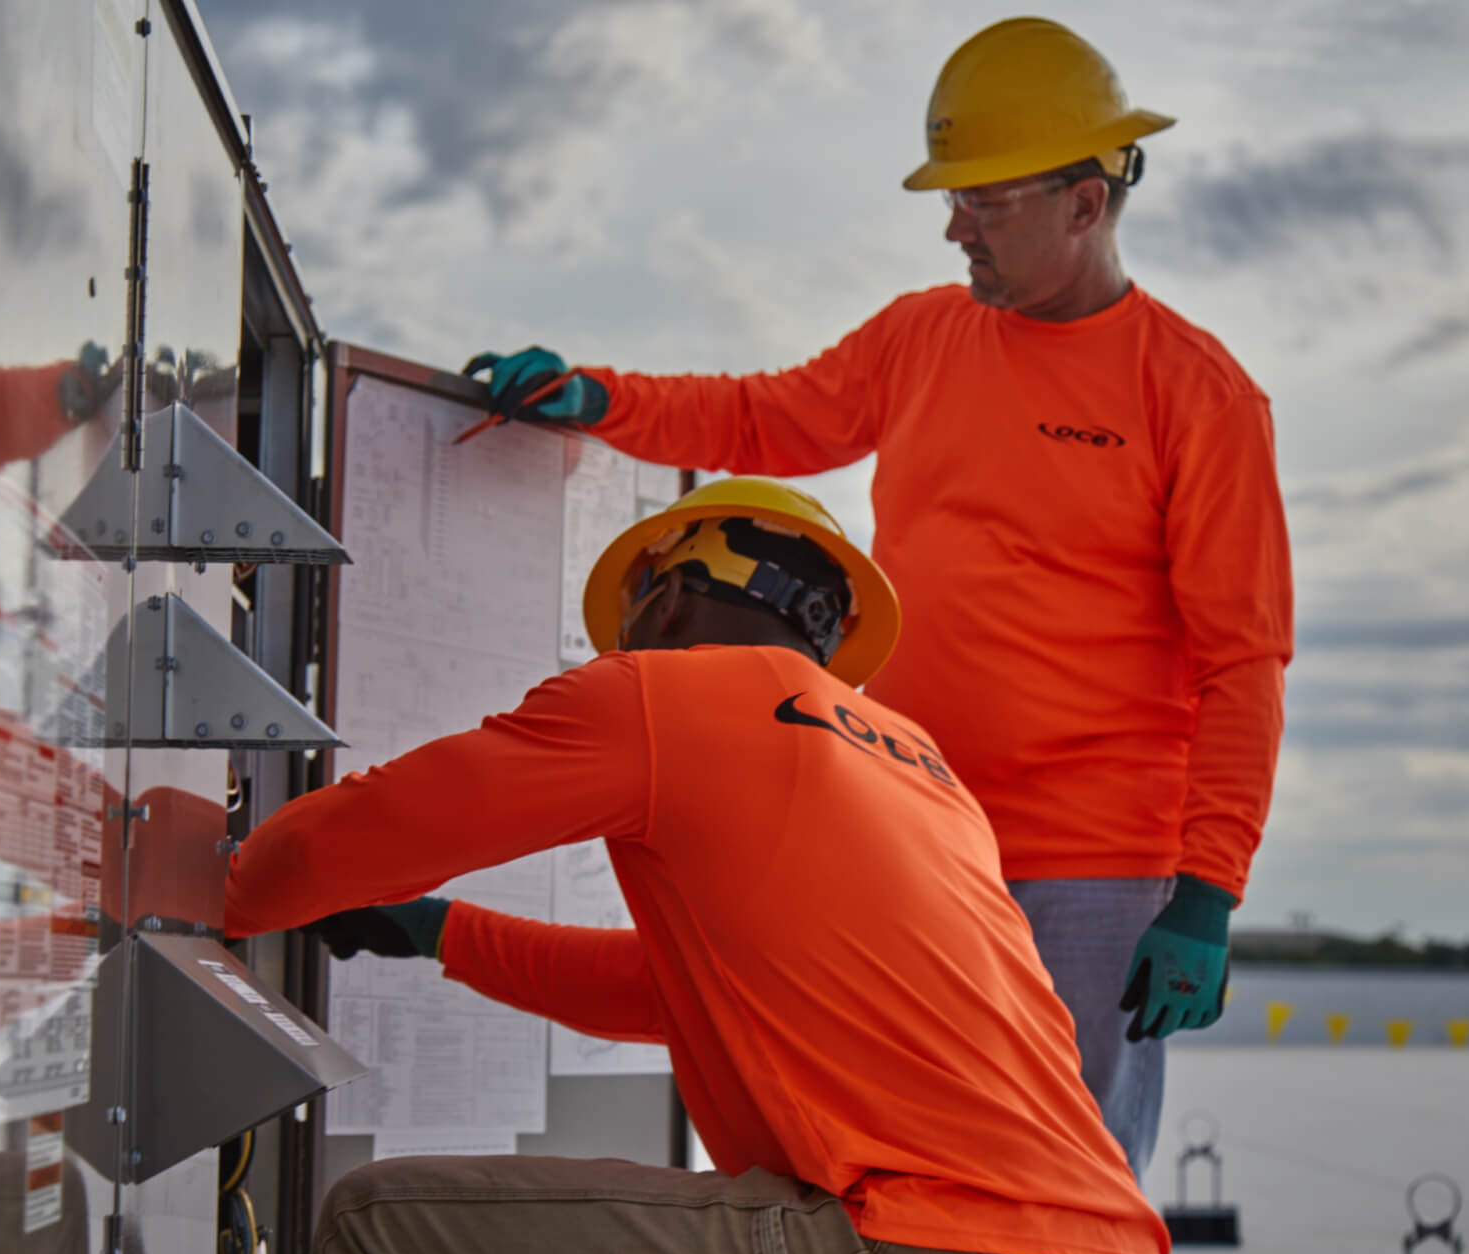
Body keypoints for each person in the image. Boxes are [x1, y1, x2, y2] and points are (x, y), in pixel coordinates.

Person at [460, 16, 1294, 1178]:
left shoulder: (1200, 395)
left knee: (1070, 1187)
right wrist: (602, 398)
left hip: (1097, 870)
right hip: (914, 831)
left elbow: (1242, 660)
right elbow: (763, 414)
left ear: (1086, 203)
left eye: (983, 201)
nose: (954, 226)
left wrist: (1206, 893)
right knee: (886, 1165)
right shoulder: (921, 338)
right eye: (951, 200)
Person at [224, 476, 1169, 1254]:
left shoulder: (658, 691)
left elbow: (340, 844)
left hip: (920, 1240)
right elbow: (675, 989)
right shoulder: (919, 763)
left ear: (663, 596)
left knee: (372, 1223)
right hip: (1098, 1241)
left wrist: (201, 893)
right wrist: (438, 932)